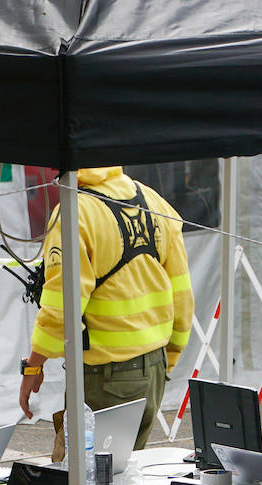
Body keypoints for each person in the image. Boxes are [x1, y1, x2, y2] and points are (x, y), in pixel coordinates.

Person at [18, 165, 194, 452]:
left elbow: (62, 308)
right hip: (153, 370)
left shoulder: (75, 213)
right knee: (126, 480)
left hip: (105, 379)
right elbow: (183, 298)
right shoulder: (155, 202)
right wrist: (166, 362)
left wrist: (34, 365)